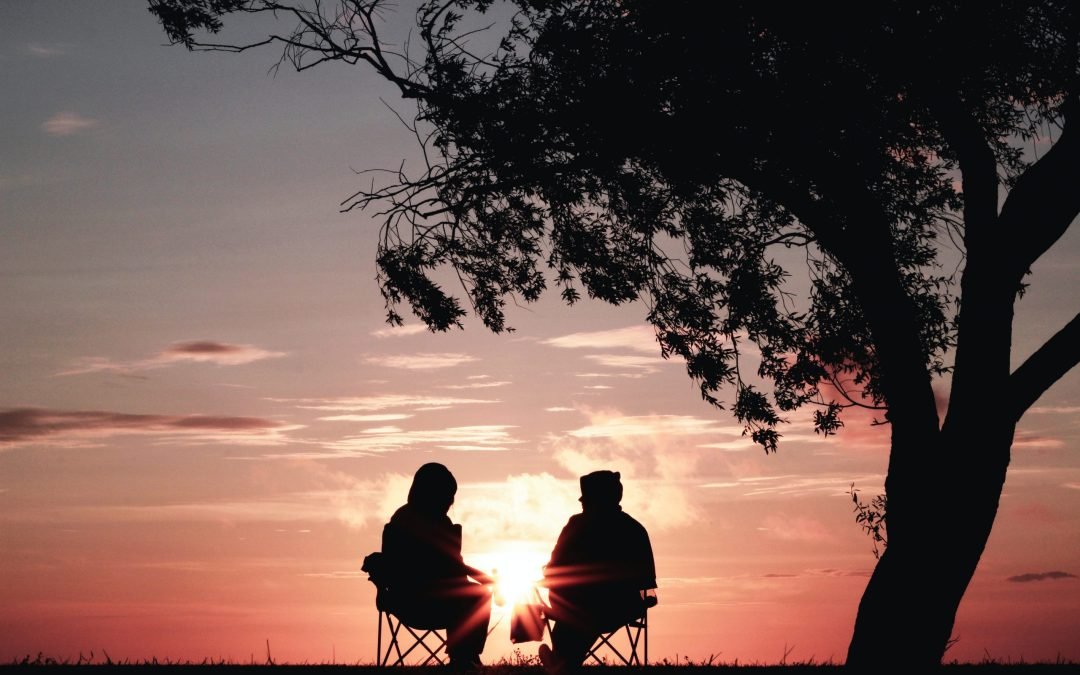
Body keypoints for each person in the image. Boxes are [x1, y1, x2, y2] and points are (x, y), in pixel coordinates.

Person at [539, 470, 657, 672]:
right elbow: (647, 582)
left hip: (577, 607)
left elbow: (553, 569)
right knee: (584, 613)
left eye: (585, 500)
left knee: (577, 613)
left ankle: (563, 663)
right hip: (622, 609)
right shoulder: (634, 529)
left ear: (593, 500)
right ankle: (563, 662)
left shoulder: (576, 525)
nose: (582, 504)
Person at [377, 463, 493, 669]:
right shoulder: (425, 523)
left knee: (473, 595)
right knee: (479, 595)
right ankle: (465, 656)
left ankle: (464, 656)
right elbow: (451, 566)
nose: (451, 501)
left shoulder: (401, 519)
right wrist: (484, 579)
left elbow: (453, 566)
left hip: (402, 600)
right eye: (448, 495)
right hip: (424, 601)